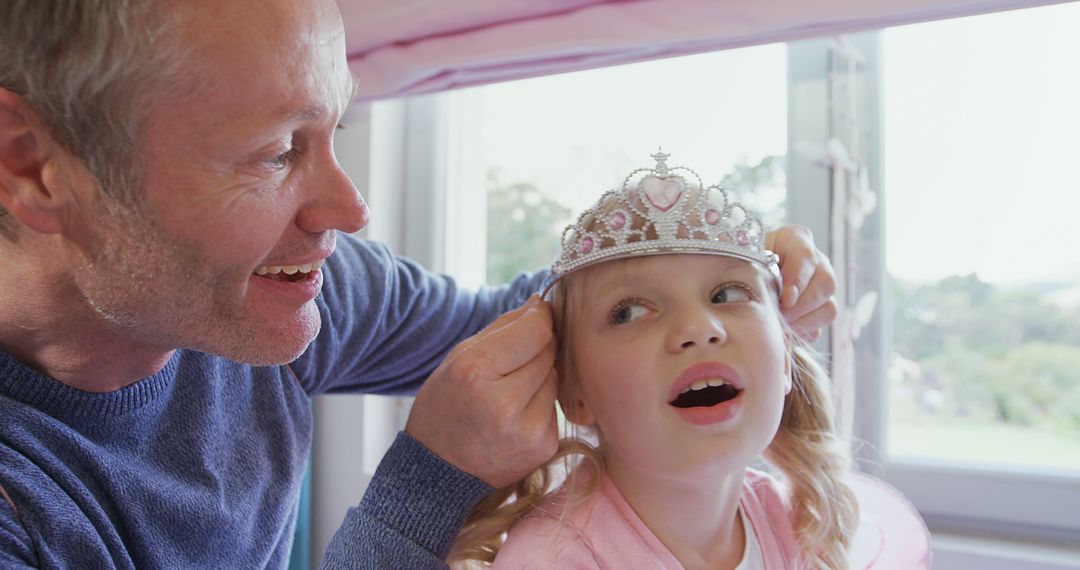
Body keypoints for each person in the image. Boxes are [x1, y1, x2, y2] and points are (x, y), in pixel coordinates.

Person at [0, 1, 839, 568]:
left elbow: (520, 322)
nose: (349, 209)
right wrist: (424, 488)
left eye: (336, 129)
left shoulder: (289, 286)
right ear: (35, 170)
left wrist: (723, 269)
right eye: (275, 151)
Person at [451, 152, 930, 569]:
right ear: (573, 393)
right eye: (630, 311)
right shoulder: (551, 563)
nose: (699, 328)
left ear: (786, 359)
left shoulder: (793, 524)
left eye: (727, 293)